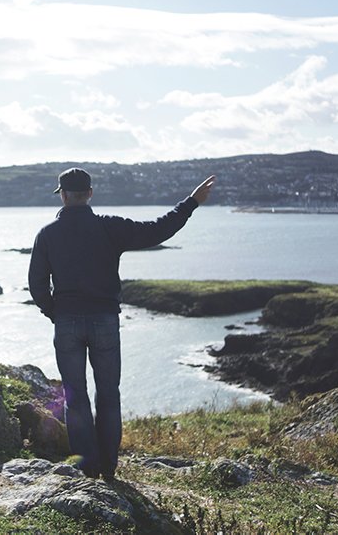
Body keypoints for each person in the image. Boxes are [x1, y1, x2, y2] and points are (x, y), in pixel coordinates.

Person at [28, 168, 215, 481]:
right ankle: (109, 468)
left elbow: (36, 284)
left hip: (67, 323)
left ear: (62, 195)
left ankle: (88, 468)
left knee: (75, 397)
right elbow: (157, 230)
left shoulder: (47, 234)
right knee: (109, 395)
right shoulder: (109, 227)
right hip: (104, 321)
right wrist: (191, 203)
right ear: (90, 193)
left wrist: (54, 313)